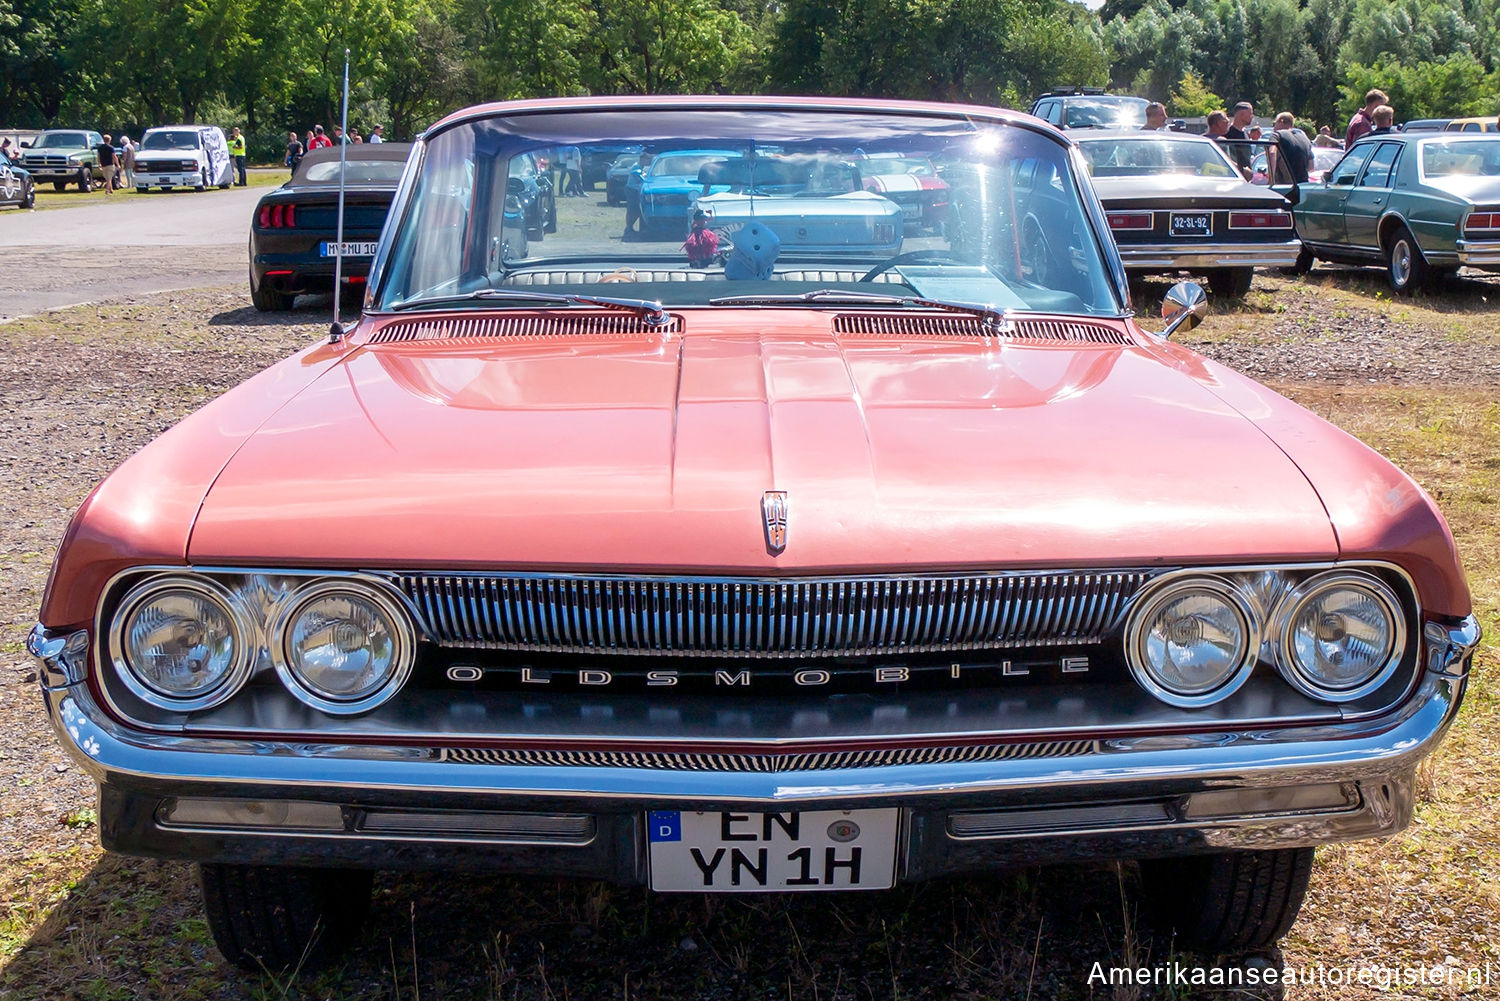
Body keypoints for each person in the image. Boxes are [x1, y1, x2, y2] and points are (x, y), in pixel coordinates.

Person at [1266, 112, 1313, 196]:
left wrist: (1271, 178)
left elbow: (1272, 153)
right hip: (1302, 187)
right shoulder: (1305, 138)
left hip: (1284, 187)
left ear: (1281, 121)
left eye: (1275, 123)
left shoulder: (1277, 135)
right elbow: (1311, 166)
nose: (1274, 127)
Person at [622, 151, 653, 240]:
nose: (649, 162)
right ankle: (628, 228)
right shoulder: (636, 167)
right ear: (643, 159)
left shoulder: (643, 168)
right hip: (632, 190)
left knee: (639, 209)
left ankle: (634, 227)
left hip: (638, 190)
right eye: (648, 160)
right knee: (632, 209)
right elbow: (640, 178)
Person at [1224, 102, 1254, 179]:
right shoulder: (1227, 133)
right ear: (1242, 114)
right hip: (1233, 177)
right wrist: (1241, 170)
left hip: (1246, 179)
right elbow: (1223, 156)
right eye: (1250, 114)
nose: (1252, 117)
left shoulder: (1245, 132)